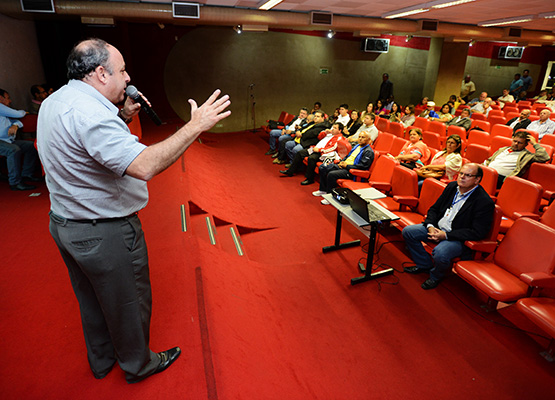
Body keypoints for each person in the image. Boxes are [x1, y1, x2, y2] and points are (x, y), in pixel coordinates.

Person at [36, 38, 231, 383]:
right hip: (103, 232)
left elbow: (87, 148)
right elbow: (144, 165)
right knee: (129, 302)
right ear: (100, 73)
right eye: (122, 70)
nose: (128, 78)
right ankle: (138, 364)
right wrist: (195, 126)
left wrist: (123, 116)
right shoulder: (91, 115)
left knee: (91, 299)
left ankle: (101, 360)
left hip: (66, 224)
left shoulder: (57, 100)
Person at [402, 163, 495, 289]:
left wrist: (445, 235)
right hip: (436, 228)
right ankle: (424, 265)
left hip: (456, 237)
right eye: (461, 173)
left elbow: (478, 232)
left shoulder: (483, 201)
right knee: (408, 231)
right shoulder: (452, 186)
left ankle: (435, 276)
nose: (462, 177)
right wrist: (430, 226)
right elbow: (434, 209)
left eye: (467, 175)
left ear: (477, 179)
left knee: (440, 253)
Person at [312, 131, 374, 204]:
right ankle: (323, 190)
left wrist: (347, 166)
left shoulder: (368, 151)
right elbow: (348, 156)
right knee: (323, 167)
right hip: (344, 166)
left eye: (363, 137)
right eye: (359, 137)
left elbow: (363, 166)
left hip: (351, 171)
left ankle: (330, 196)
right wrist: (342, 162)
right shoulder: (357, 146)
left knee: (332, 174)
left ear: (369, 140)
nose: (360, 139)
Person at [0, 88, 40, 190]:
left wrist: (16, 125)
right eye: (8, 98)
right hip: (2, 141)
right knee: (13, 150)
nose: (10, 101)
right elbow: (19, 114)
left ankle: (27, 174)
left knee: (31, 146)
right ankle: (14, 182)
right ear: (1, 98)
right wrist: (23, 112)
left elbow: (18, 121)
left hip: (7, 140)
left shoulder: (4, 111)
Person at [280, 122, 344, 185]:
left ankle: (309, 179)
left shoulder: (339, 138)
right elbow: (319, 137)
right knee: (300, 153)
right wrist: (324, 132)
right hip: (315, 149)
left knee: (311, 158)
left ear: (340, 130)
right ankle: (290, 171)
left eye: (335, 128)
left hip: (323, 153)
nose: (332, 129)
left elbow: (332, 148)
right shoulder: (330, 134)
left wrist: (319, 150)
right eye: (333, 127)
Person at [484, 131, 549, 188]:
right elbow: (489, 160)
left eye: (520, 143)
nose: (516, 144)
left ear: (526, 144)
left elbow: (544, 157)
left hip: (501, 178)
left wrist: (535, 144)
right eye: (515, 141)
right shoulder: (503, 149)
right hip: (488, 172)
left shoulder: (527, 156)